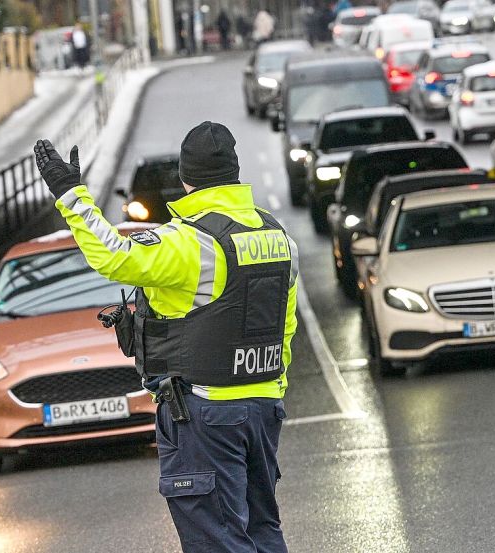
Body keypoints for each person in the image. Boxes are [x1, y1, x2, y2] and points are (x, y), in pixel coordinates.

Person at [34, 121, 298, 553]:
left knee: (219, 540)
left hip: (206, 411)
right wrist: (272, 387)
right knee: (261, 531)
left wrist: (70, 194)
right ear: (235, 172)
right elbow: (284, 324)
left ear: (186, 179)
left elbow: (113, 255)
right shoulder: (278, 236)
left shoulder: (192, 243)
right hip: (264, 405)